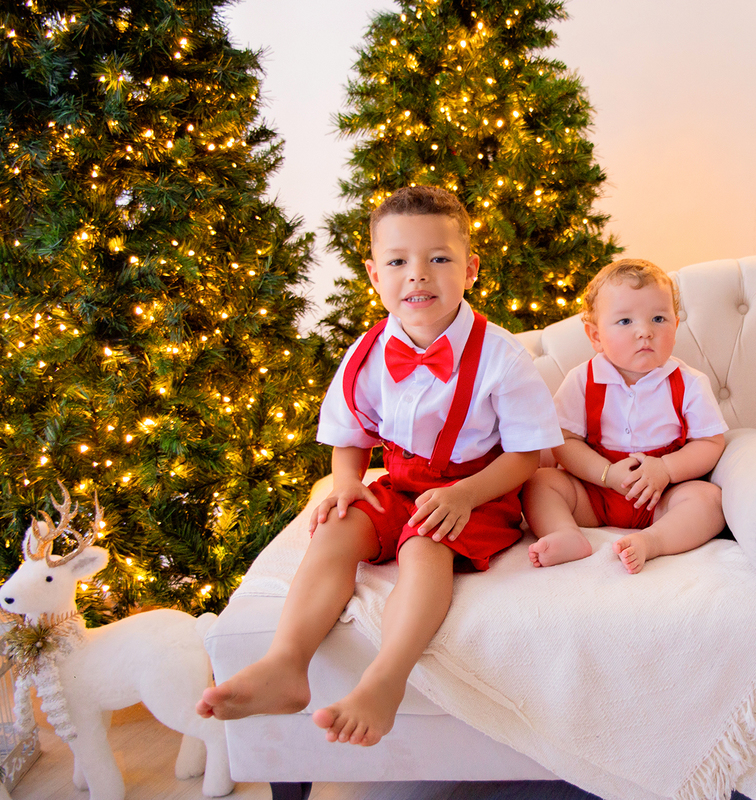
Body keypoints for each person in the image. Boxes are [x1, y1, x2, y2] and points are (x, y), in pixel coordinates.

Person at [196, 186, 562, 746]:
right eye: (397, 262)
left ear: (470, 270)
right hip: (402, 482)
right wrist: (347, 483)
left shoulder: (502, 356)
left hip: (478, 492)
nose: (417, 275)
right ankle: (286, 663)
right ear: (373, 275)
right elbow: (351, 434)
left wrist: (465, 494)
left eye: (438, 258)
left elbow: (525, 456)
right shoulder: (367, 353)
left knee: (423, 544)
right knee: (338, 525)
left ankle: (385, 678)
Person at [524, 258, 727, 574]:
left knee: (710, 499)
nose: (645, 332)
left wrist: (666, 469)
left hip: (660, 496)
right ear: (595, 336)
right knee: (539, 482)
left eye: (658, 318)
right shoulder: (583, 379)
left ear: (675, 326)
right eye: (625, 321)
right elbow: (564, 441)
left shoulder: (689, 383)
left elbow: (711, 443)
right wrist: (606, 474)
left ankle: (653, 541)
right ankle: (564, 533)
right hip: (594, 492)